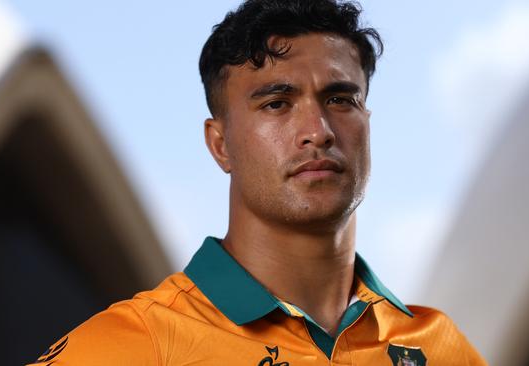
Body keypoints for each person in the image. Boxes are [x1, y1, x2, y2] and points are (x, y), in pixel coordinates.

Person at [29, 0, 487, 365]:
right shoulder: (141, 344)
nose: (319, 129)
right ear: (220, 144)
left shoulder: (439, 346)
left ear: (367, 120)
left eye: (341, 99)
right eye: (277, 104)